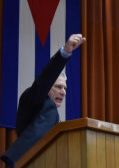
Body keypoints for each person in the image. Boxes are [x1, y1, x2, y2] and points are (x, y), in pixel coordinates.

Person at [0, 34, 86, 167]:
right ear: (46, 88)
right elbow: (44, 80)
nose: (63, 92)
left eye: (65, 88)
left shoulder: (55, 118)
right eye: (58, 87)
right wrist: (65, 52)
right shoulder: (32, 99)